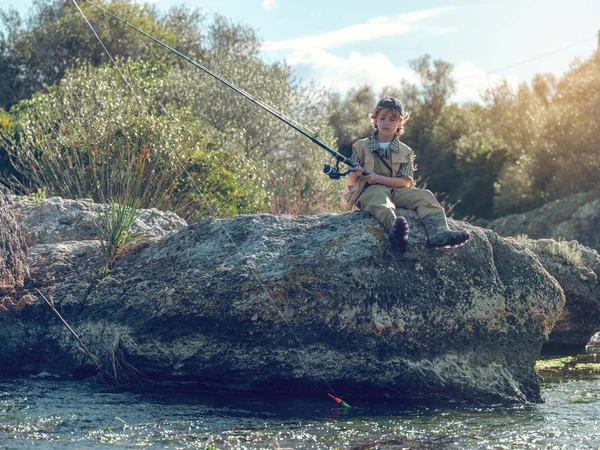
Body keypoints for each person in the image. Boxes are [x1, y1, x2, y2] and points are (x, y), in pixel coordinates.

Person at [341, 96, 469, 252]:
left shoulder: (406, 151)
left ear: (400, 123)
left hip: (397, 191)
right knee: (379, 198)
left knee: (425, 195)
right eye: (382, 118)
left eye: (392, 120)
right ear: (375, 120)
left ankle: (439, 232)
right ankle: (396, 229)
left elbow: (406, 182)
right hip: (370, 192)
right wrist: (354, 177)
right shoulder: (361, 146)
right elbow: (352, 179)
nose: (387, 122)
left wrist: (378, 178)